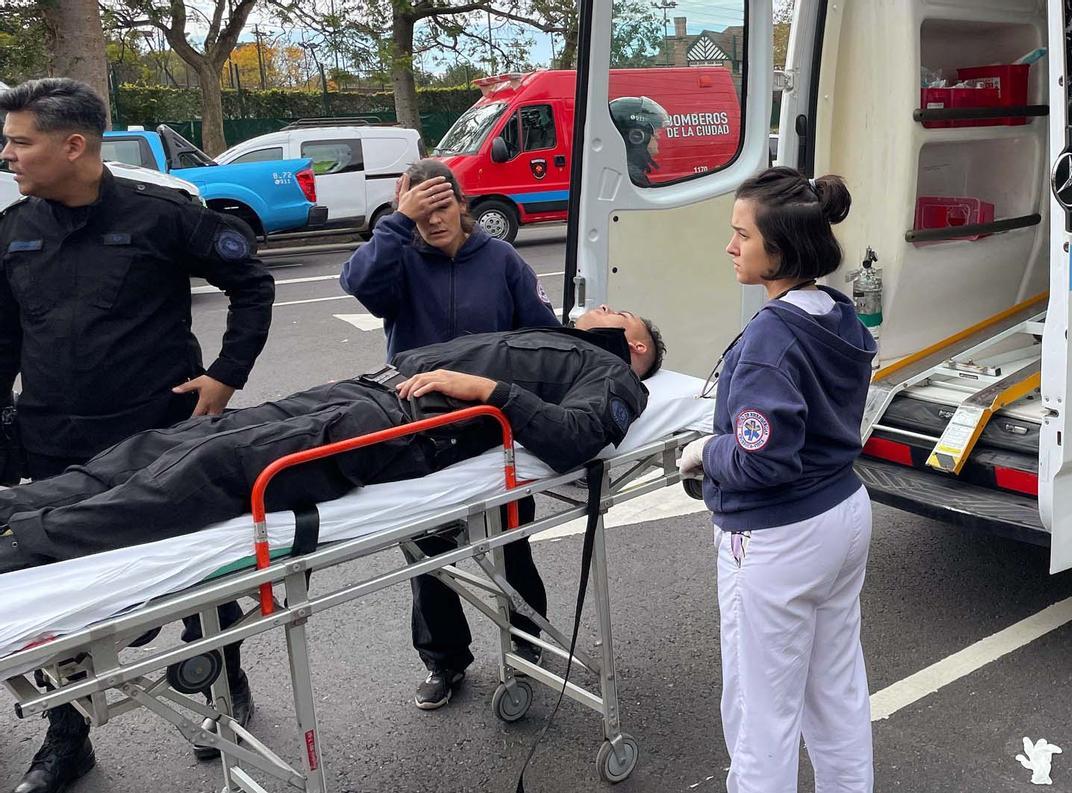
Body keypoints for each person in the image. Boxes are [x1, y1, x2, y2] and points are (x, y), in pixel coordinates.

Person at [0, 78, 275, 792]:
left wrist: (225, 376)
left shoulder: (164, 215)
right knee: (58, 590)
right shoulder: (12, 229)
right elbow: (3, 338)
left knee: (197, 573)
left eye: (19, 141)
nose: (8, 155)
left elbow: (253, 283)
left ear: (73, 145)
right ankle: (67, 735)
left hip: (158, 437)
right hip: (54, 444)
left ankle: (223, 685)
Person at [0, 308, 664, 572]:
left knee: (211, 465)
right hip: (359, 395)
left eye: (615, 312)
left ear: (633, 342)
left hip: (395, 431)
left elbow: (577, 440)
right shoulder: (550, 337)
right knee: (161, 445)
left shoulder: (610, 375)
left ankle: (22, 545)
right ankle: (14, 509)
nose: (598, 307)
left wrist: (484, 392)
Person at [679, 167, 877, 793]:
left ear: (781, 250)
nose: (731, 247)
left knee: (760, 715)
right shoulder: (837, 315)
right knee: (836, 690)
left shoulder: (771, 337)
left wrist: (705, 454)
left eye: (742, 235)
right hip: (842, 512)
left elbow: (762, 460)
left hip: (779, 535)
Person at [340, 158, 562, 709]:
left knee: (512, 540)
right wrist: (396, 222)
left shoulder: (501, 257)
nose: (434, 221)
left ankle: (528, 638)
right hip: (423, 426)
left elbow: (540, 332)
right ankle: (444, 661)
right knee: (429, 552)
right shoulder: (399, 258)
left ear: (464, 205)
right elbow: (358, 283)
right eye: (422, 212)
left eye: (443, 207)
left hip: (493, 421)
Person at [609, 96, 669, 188]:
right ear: (637, 136)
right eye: (654, 130)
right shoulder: (633, 178)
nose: (658, 136)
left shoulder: (622, 169)